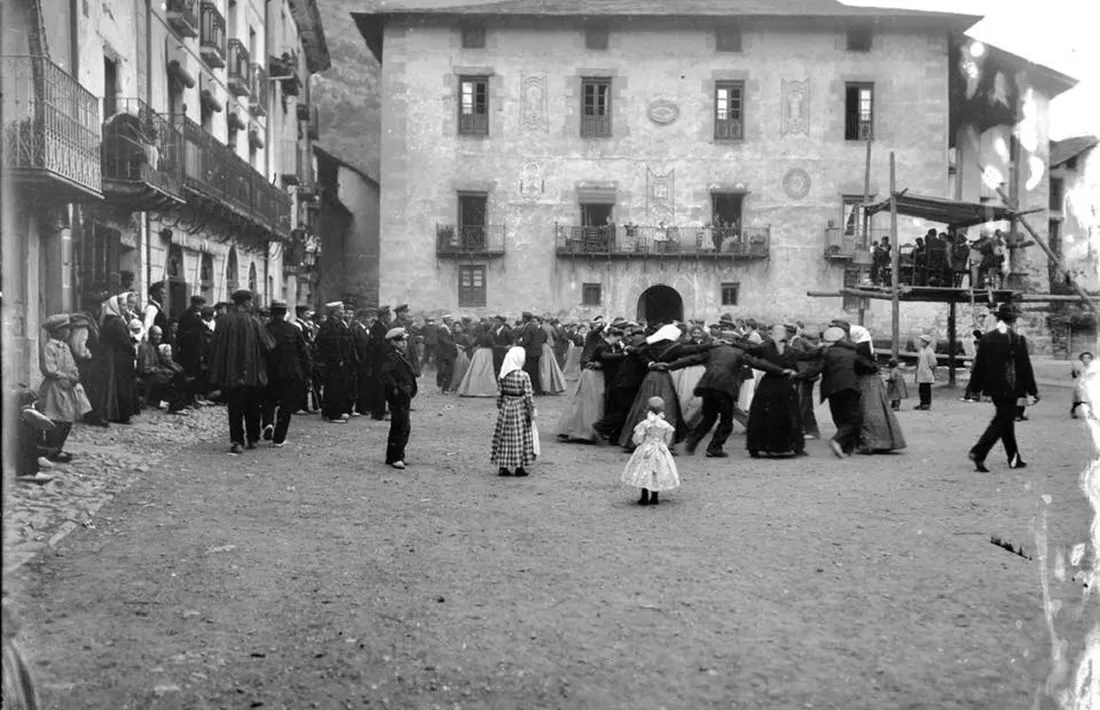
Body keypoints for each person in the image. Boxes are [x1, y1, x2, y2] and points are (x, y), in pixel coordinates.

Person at [667, 326, 787, 458]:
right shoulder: (739, 353)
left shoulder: (713, 350)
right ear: (734, 340)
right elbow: (758, 363)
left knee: (708, 418)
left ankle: (692, 442)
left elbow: (691, 360)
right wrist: (780, 370)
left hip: (708, 386)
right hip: (725, 388)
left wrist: (669, 366)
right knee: (726, 421)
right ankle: (715, 447)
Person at [967, 303, 1039, 472]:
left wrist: (975, 388)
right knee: (1002, 420)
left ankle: (1014, 458)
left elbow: (979, 366)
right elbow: (1024, 367)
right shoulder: (1017, 339)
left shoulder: (987, 338)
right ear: (1013, 320)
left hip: (993, 387)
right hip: (1011, 386)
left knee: (1005, 419)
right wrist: (1032, 390)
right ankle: (979, 451)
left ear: (998, 318)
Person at [209, 289, 275, 454]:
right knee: (253, 406)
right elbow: (268, 345)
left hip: (231, 373)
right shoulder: (254, 321)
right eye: (250, 301)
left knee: (234, 408)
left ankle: (236, 441)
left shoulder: (223, 321)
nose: (251, 304)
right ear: (246, 302)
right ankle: (252, 438)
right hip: (252, 372)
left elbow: (215, 346)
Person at [799, 326, 881, 458]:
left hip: (830, 389)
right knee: (854, 418)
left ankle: (845, 448)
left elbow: (815, 369)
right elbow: (868, 366)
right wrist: (874, 365)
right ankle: (838, 440)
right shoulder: (852, 352)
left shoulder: (826, 353)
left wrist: (798, 376)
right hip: (849, 388)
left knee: (839, 417)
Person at [36, 315, 92, 463]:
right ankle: (51, 449)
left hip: (68, 388)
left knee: (67, 419)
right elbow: (49, 369)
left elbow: (71, 364)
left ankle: (58, 447)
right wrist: (66, 376)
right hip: (55, 389)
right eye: (66, 329)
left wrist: (75, 374)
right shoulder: (49, 347)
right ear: (57, 331)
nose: (69, 332)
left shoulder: (65, 346)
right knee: (56, 419)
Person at [744, 324, 803, 458]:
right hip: (775, 383)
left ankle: (778, 446)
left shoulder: (786, 349)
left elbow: (804, 357)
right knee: (773, 414)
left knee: (779, 414)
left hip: (779, 384)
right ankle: (769, 446)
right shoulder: (768, 347)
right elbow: (749, 354)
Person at [261, 301, 312, 447]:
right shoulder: (293, 329)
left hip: (270, 372)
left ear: (271, 313)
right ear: (284, 314)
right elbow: (303, 352)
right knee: (286, 405)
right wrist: (307, 372)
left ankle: (268, 423)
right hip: (290, 372)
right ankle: (279, 438)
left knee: (269, 400)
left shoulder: (264, 330)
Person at [556, 326, 619, 443]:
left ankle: (575, 430)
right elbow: (604, 357)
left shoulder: (606, 345)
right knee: (589, 403)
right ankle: (583, 431)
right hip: (593, 376)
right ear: (611, 336)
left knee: (585, 403)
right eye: (617, 338)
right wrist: (622, 355)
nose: (618, 341)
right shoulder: (603, 345)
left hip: (595, 375)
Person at [850, 325, 906, 453]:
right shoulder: (866, 350)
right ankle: (883, 441)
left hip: (867, 385)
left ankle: (872, 442)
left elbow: (866, 366)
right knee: (877, 411)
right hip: (872, 383)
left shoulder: (860, 353)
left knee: (869, 413)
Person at [621, 396, 680, 506]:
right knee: (656, 472)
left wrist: (639, 443)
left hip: (646, 448)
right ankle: (654, 497)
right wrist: (664, 445)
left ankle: (644, 497)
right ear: (663, 409)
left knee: (644, 471)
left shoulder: (645, 424)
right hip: (660, 449)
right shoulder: (665, 425)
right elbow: (668, 437)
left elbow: (638, 438)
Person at [491, 346, 537, 477]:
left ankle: (503, 467)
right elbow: (528, 396)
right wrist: (531, 411)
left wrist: (501, 406)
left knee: (504, 436)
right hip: (519, 408)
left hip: (506, 408)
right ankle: (518, 467)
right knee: (519, 437)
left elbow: (499, 394)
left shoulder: (502, 375)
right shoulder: (523, 375)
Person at [380, 327, 418, 470]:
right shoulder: (393, 356)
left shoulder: (399, 355)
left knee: (400, 425)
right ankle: (396, 457)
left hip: (403, 393)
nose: (404, 343)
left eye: (405, 341)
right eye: (401, 341)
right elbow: (385, 373)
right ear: (394, 343)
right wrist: (395, 388)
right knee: (401, 426)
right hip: (399, 395)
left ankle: (394, 456)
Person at [99, 294, 138, 425]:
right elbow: (124, 341)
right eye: (122, 305)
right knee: (122, 387)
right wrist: (132, 349)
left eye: (125, 305)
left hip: (117, 357)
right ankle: (122, 415)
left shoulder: (112, 320)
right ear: (116, 306)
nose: (125, 308)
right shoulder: (116, 321)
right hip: (121, 358)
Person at [316, 301, 356, 423]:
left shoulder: (337, 323)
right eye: (341, 310)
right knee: (334, 387)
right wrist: (338, 359)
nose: (343, 312)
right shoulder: (330, 325)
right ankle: (334, 414)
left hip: (337, 361)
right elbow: (332, 344)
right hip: (334, 362)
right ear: (335, 311)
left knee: (335, 387)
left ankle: (329, 411)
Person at [137, 326, 190, 414]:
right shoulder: (144, 347)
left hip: (154, 373)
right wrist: (162, 371)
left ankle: (181, 404)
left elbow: (160, 362)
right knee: (176, 378)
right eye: (156, 335)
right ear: (150, 335)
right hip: (148, 375)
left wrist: (170, 368)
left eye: (160, 335)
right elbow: (145, 368)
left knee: (179, 374)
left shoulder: (154, 347)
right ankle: (175, 407)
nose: (159, 337)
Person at [175, 295, 210, 405]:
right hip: (189, 351)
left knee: (196, 375)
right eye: (199, 304)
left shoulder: (197, 316)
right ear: (193, 303)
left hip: (197, 351)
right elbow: (183, 335)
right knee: (190, 375)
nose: (200, 307)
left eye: (201, 304)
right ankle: (188, 399)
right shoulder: (187, 316)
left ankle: (193, 398)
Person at [456, 323, 498, 397]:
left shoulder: (480, 335)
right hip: (487, 353)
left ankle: (473, 389)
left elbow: (474, 344)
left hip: (479, 353)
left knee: (476, 371)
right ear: (489, 328)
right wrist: (504, 347)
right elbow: (494, 345)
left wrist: (466, 348)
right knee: (487, 371)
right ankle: (486, 390)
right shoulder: (489, 336)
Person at [518, 311, 546, 395]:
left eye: (523, 318)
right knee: (534, 371)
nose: (522, 319)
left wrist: (519, 343)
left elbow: (526, 340)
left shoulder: (529, 327)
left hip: (531, 352)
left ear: (525, 318)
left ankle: (535, 389)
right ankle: (536, 389)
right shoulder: (534, 326)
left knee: (530, 371)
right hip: (535, 352)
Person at [915, 334, 937, 410]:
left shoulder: (930, 351)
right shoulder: (922, 350)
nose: (921, 342)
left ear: (926, 342)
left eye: (922, 341)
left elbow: (933, 363)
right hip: (921, 372)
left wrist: (931, 370)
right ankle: (922, 403)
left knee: (926, 389)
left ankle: (926, 404)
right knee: (921, 389)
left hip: (926, 373)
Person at [1071, 352, 1094, 419]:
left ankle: (1090, 413)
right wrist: (1074, 372)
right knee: (1078, 401)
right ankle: (1073, 410)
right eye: (1084, 358)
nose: (1086, 359)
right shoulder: (1079, 368)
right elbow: (1075, 376)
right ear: (1081, 359)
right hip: (1080, 386)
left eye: (1088, 358)